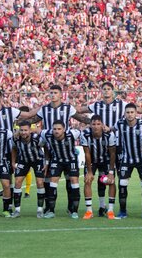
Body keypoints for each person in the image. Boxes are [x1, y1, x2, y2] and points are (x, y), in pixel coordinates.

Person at [32, 85, 90, 214]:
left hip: (66, 147)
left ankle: (71, 208)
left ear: (60, 95)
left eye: (55, 93)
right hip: (49, 147)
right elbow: (33, 119)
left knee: (70, 179)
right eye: (51, 92)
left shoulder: (67, 108)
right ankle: (49, 207)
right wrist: (19, 123)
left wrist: (95, 122)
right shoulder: (44, 109)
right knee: (48, 179)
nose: (53, 95)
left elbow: (81, 118)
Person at [113, 103, 142, 219]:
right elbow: (110, 129)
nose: (130, 115)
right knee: (122, 185)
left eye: (132, 112)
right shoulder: (120, 123)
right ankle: (122, 212)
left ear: (136, 113)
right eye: (128, 112)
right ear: (124, 114)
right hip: (126, 159)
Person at [41, 120, 81, 219]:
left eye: (59, 129)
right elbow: (36, 131)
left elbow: (83, 130)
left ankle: (74, 211)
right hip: (57, 160)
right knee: (52, 183)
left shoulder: (72, 134)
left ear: (64, 129)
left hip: (71, 160)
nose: (56, 131)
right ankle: (51, 211)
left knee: (74, 182)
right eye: (54, 129)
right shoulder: (47, 134)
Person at [80, 115, 117, 219]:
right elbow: (87, 153)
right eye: (93, 124)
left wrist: (110, 172)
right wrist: (90, 171)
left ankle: (110, 210)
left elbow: (112, 153)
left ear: (102, 125)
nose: (96, 126)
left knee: (111, 181)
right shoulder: (85, 134)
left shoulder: (109, 135)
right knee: (87, 180)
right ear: (90, 125)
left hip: (106, 160)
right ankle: (89, 211)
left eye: (98, 124)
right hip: (92, 160)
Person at [10, 121, 46, 218]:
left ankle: (40, 210)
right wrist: (13, 162)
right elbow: (13, 149)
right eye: (21, 130)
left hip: (38, 160)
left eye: (26, 130)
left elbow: (46, 147)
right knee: (17, 182)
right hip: (24, 160)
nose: (23, 132)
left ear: (30, 130)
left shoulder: (36, 138)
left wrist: (47, 162)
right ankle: (17, 210)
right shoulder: (16, 138)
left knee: (39, 183)